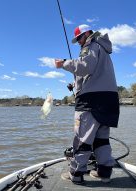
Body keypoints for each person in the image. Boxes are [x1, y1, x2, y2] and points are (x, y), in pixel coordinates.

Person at [55, 24, 119, 184]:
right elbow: (93, 75)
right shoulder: (103, 49)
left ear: (87, 34)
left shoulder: (91, 46)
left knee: (82, 139)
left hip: (91, 102)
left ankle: (75, 174)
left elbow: (85, 67)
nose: (78, 42)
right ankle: (104, 173)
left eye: (78, 39)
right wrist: (76, 85)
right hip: (109, 101)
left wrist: (63, 63)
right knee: (101, 139)